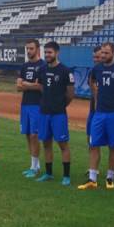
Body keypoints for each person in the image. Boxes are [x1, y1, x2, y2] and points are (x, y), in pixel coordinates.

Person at [80, 42, 114, 190]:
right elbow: (91, 80)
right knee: (93, 144)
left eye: (106, 53)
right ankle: (92, 179)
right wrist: (95, 94)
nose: (103, 56)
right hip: (99, 113)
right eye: (102, 53)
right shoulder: (97, 68)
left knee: (113, 146)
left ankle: (110, 177)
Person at [36, 42, 75, 185]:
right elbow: (41, 86)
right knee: (46, 144)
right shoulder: (42, 70)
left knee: (63, 145)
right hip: (44, 113)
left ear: (57, 53)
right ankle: (48, 173)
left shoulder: (65, 71)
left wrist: (60, 104)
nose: (47, 55)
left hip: (58, 114)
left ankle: (66, 176)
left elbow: (70, 94)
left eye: (50, 52)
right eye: (45, 52)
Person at [16, 39, 46, 178]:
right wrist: (30, 85)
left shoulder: (43, 66)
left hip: (37, 105)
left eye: (31, 48)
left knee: (35, 135)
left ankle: (35, 168)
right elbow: (18, 87)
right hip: (25, 104)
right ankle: (34, 164)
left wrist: (26, 85)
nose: (28, 51)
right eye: (27, 48)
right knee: (28, 135)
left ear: (38, 49)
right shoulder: (24, 66)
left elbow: (41, 87)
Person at [86, 46, 102, 146]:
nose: (95, 60)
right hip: (93, 110)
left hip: (107, 110)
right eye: (94, 57)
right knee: (90, 138)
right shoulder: (92, 72)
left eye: (98, 57)